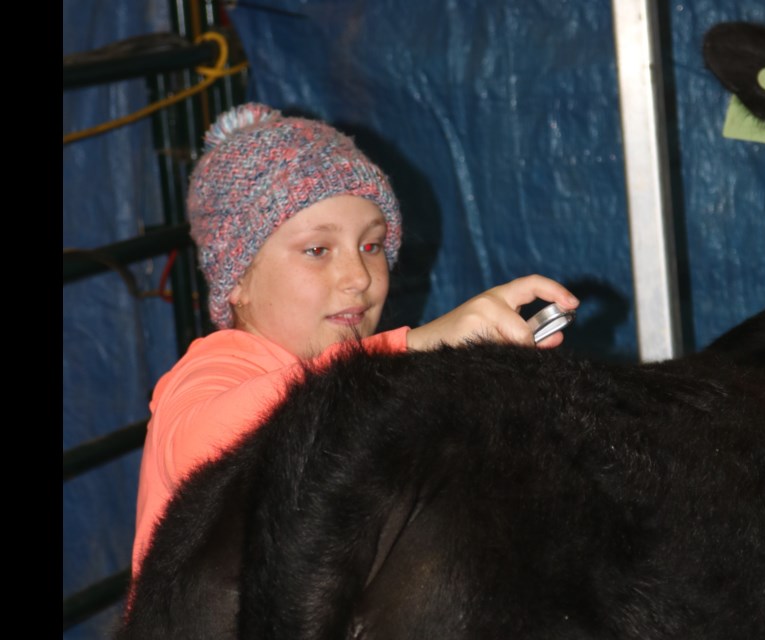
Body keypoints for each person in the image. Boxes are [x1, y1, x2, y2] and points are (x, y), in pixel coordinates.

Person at [131, 102, 579, 576]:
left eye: (371, 246)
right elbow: (200, 445)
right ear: (237, 278)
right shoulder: (220, 367)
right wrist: (411, 349)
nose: (358, 278)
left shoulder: (370, 382)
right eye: (317, 250)